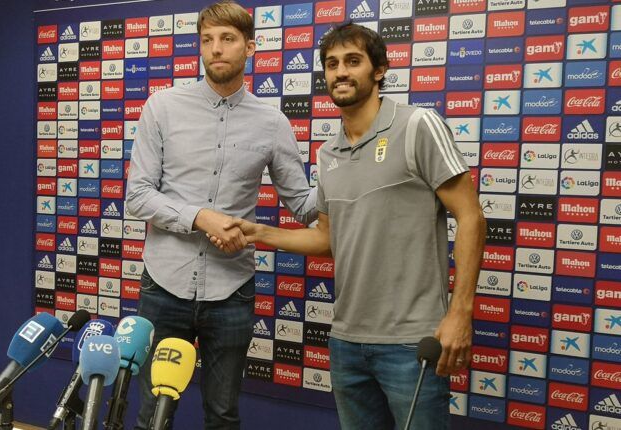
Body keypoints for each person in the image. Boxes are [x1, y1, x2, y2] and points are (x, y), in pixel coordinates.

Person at [214, 23, 486, 429]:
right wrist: (260, 233)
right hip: (346, 341)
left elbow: (471, 217)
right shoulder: (328, 152)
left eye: (353, 61)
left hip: (411, 342)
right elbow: (327, 239)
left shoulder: (417, 126)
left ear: (379, 70)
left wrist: (460, 313)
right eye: (332, 64)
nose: (340, 72)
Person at [124, 1, 317, 428]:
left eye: (227, 39)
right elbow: (137, 196)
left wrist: (351, 175)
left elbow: (303, 203)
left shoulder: (271, 121)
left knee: (224, 416)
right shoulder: (163, 106)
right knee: (152, 416)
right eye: (207, 40)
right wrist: (201, 217)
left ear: (250, 46)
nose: (216, 49)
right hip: (164, 287)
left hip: (232, 291)